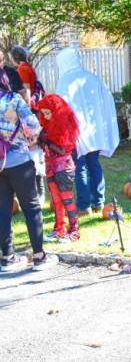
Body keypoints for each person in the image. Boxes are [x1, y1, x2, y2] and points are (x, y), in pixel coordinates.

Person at [0, 71, 58, 272]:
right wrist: (28, 136)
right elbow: (33, 126)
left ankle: (7, 257)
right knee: (31, 208)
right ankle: (39, 255)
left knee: (2, 211)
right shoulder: (13, 100)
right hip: (18, 160)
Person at [55, 47, 120, 215]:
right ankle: (98, 201)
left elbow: (61, 109)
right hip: (94, 130)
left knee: (80, 166)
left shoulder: (64, 81)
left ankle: (84, 206)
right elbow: (106, 100)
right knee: (94, 163)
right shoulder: (92, 78)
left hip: (76, 132)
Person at [37, 94, 80, 242]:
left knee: (67, 199)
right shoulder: (48, 126)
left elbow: (62, 150)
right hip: (50, 167)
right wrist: (40, 140)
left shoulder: (64, 126)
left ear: (55, 111)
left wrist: (46, 141)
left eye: (48, 113)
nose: (46, 116)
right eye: (44, 113)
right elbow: (44, 147)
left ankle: (74, 230)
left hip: (63, 168)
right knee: (56, 200)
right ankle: (59, 229)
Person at [9, 47, 46, 209]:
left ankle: (38, 191)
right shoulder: (29, 67)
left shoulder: (22, 69)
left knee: (32, 151)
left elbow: (27, 89)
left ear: (14, 58)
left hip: (28, 112)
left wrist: (26, 107)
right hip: (30, 111)